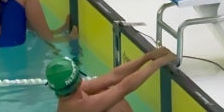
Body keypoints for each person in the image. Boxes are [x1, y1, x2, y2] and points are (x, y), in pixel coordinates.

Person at [45, 47, 176, 112]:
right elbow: (123, 88)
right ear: (78, 79)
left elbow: (113, 77)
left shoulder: (71, 95)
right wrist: (157, 63)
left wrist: (147, 57)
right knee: (116, 106)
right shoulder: (79, 106)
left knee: (105, 92)